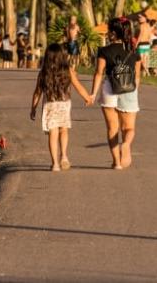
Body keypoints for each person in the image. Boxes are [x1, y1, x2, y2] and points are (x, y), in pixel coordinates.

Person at [30, 43, 92, 171]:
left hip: (50, 105)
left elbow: (37, 93)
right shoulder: (67, 71)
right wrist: (87, 97)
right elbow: (78, 85)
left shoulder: (43, 73)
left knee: (53, 133)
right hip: (64, 104)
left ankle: (55, 164)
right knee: (64, 130)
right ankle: (64, 156)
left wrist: (33, 108)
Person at [90, 18, 141, 170]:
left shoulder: (104, 51)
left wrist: (93, 94)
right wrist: (134, 91)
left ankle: (116, 163)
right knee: (129, 129)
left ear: (113, 33)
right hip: (129, 90)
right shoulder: (133, 51)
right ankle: (125, 145)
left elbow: (99, 73)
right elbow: (137, 76)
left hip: (109, 89)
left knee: (112, 128)